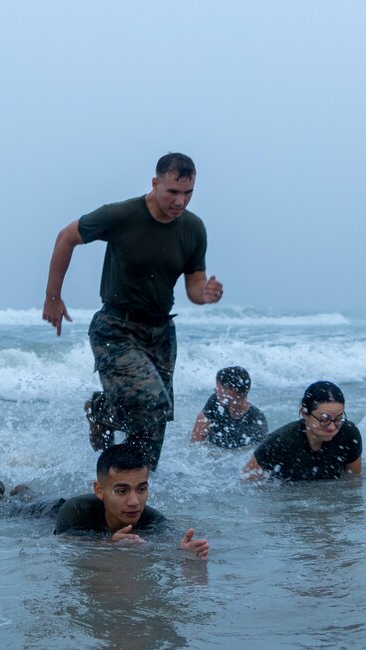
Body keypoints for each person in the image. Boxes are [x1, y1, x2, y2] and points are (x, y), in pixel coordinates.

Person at [43, 153, 224, 469]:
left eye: (188, 193)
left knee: (155, 423)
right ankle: (103, 415)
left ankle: (131, 484)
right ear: (155, 184)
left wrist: (205, 294)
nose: (180, 201)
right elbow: (66, 236)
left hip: (161, 333)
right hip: (116, 326)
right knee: (152, 402)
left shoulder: (194, 229)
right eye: (173, 192)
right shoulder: (122, 215)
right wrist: (52, 297)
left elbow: (194, 283)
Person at [0, 444, 210, 558]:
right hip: (50, 512)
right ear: (100, 490)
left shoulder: (150, 517)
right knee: (0, 508)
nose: (134, 502)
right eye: (122, 491)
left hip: (58, 505)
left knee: (28, 494)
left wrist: (183, 550)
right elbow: (64, 542)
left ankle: (23, 489)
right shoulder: (75, 511)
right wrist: (110, 544)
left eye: (142, 489)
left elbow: (173, 536)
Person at [242, 381, 362, 481]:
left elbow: (353, 483)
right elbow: (246, 483)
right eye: (324, 419)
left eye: (338, 418)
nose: (332, 427)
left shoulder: (349, 435)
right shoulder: (280, 441)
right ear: (304, 413)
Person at [190, 366, 268, 449]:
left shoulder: (256, 420)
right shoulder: (215, 401)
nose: (215, 389)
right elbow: (195, 443)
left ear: (232, 391)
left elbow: (254, 455)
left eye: (219, 387)